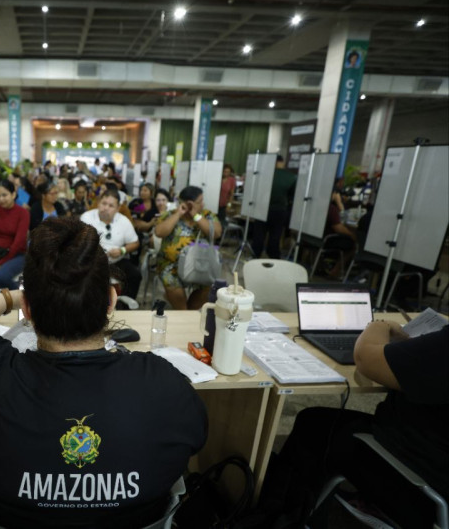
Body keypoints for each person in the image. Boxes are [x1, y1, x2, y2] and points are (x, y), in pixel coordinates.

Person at [0, 217, 208, 528]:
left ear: (28, 310)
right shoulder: (165, 385)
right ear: (111, 301)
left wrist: (10, 297)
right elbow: (194, 441)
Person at [259, 322, 449, 528]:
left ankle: (281, 519)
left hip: (419, 484)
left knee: (314, 428)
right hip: (435, 464)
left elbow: (365, 359)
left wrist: (379, 326)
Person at [154, 186, 222, 310]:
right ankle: (182, 311)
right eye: (199, 201)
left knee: (209, 286)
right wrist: (179, 214)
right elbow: (159, 232)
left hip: (200, 264)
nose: (203, 204)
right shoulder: (171, 214)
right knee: (172, 285)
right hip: (171, 265)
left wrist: (195, 215)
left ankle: (189, 312)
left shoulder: (207, 215)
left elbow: (216, 233)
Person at [81, 189, 142, 300]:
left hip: (116, 260)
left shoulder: (124, 221)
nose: (106, 208)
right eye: (104, 203)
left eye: (111, 206)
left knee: (135, 275)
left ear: (118, 208)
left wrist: (122, 250)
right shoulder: (87, 218)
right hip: (92, 261)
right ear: (99, 203)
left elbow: (135, 243)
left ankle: (125, 307)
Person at [251, 155, 296, 259]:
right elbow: (292, 196)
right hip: (279, 210)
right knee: (275, 235)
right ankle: (273, 257)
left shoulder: (263, 174)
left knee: (259, 235)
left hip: (262, 208)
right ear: (283, 162)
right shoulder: (291, 177)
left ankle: (255, 255)